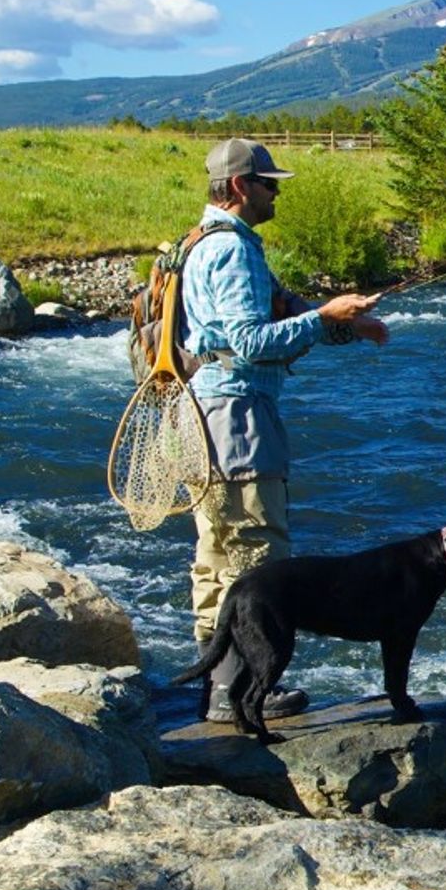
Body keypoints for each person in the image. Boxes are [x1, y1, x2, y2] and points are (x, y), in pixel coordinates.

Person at [184, 138, 389, 723]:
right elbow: (249, 342)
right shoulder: (232, 252)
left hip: (207, 413)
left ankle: (218, 688)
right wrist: (324, 318)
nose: (278, 192)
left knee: (216, 551)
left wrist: (349, 325)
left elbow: (282, 312)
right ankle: (242, 692)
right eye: (271, 183)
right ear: (242, 186)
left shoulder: (202, 242)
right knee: (254, 550)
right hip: (238, 414)